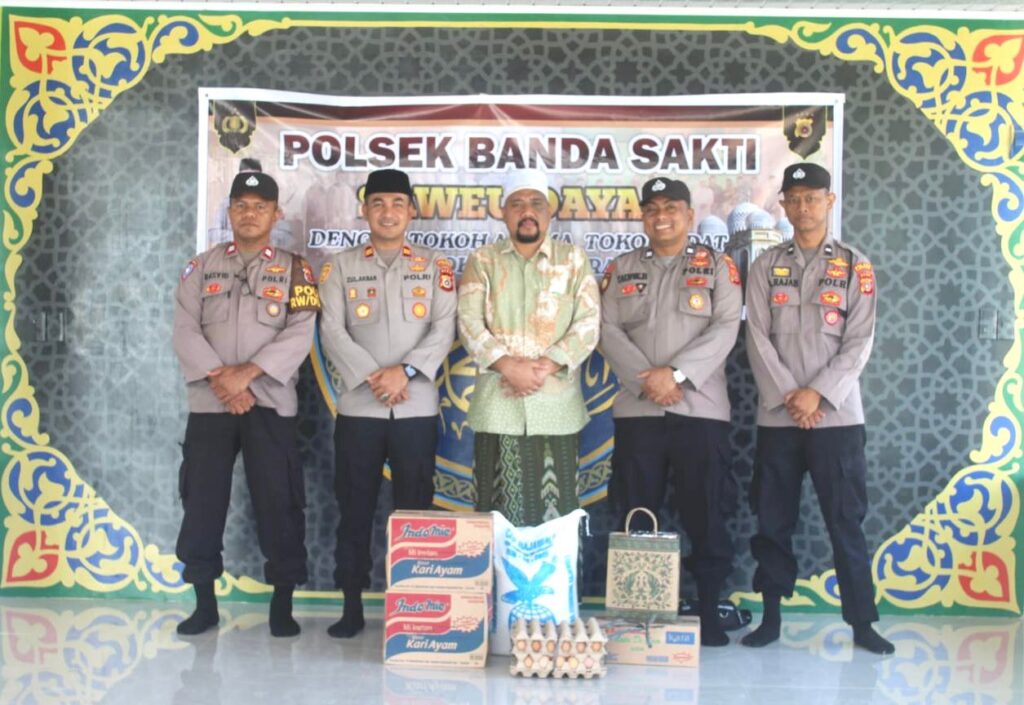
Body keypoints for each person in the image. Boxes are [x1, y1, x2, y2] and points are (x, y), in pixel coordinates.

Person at [742, 162, 894, 655]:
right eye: (795, 198)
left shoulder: (855, 266)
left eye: (812, 198)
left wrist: (818, 395)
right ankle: (770, 617)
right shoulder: (765, 266)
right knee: (772, 520)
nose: (803, 207)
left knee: (846, 521)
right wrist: (792, 394)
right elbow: (757, 337)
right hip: (778, 416)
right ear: (783, 205)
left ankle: (862, 624)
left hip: (837, 416)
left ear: (829, 201)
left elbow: (860, 341)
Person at [173, 171, 319, 637]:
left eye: (260, 206)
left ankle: (282, 604)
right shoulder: (201, 267)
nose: (250, 213)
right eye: (241, 205)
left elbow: (301, 331)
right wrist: (223, 381)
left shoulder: (297, 270)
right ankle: (204, 605)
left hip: (270, 401)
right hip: (210, 403)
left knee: (280, 502)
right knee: (202, 503)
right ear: (230, 212)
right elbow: (184, 330)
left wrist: (247, 375)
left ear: (276, 214)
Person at [600, 177, 742, 646]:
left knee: (707, 512)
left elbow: (725, 327)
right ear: (643, 216)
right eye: (652, 208)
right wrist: (650, 380)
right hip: (638, 410)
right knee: (636, 513)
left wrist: (676, 375)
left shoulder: (717, 266)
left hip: (700, 410)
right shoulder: (621, 268)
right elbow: (606, 329)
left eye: (671, 208)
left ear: (689, 215)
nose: (661, 216)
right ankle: (639, 614)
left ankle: (709, 610)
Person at [318, 169, 457, 638]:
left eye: (398, 203)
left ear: (412, 211)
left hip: (415, 409)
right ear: (365, 211)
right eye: (378, 203)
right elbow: (331, 329)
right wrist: (374, 377)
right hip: (360, 409)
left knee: (415, 511)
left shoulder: (435, 266)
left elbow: (444, 327)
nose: (388, 212)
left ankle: (414, 606)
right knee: (354, 509)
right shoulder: (340, 267)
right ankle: (351, 605)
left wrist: (406, 372)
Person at [458, 168, 600, 527]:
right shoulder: (483, 261)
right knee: (495, 519)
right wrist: (508, 366)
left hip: (557, 407)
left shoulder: (573, 260)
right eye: (517, 204)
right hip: (497, 407)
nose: (527, 212)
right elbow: (469, 323)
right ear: (503, 212)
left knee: (559, 519)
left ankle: (555, 571)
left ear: (549, 212)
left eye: (537, 203)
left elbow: (588, 323)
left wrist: (545, 366)